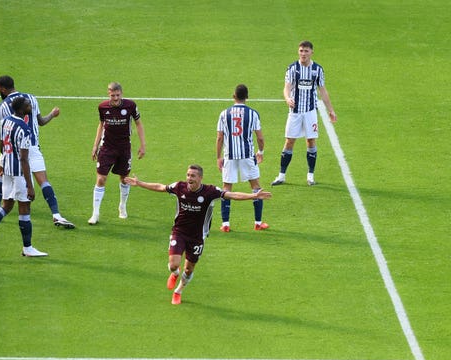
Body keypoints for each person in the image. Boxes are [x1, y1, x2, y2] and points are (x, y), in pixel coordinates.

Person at [124, 165, 272, 305]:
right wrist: (139, 183)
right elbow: (160, 187)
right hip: (179, 232)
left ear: (200, 178)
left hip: (197, 237)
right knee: (173, 264)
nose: (189, 178)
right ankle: (175, 273)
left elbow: (232, 195)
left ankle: (178, 291)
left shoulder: (210, 192)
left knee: (189, 269)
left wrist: (252, 196)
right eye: (188, 175)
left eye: (193, 176)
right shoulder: (179, 187)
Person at [0, 75, 74, 229]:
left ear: (2, 89)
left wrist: (4, 154)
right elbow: (41, 122)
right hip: (31, 146)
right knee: (43, 181)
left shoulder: (3, 106)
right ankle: (56, 215)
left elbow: (4, 131)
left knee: (1, 175)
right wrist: (52, 114)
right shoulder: (31, 98)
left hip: (11, 149)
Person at [0, 97, 48, 258]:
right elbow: (23, 158)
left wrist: (6, 161)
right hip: (19, 173)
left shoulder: (5, 122)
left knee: (6, 206)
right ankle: (27, 247)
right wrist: (30, 185)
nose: (30, 106)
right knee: (24, 208)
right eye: (28, 105)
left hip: (6, 169)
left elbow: (1, 145)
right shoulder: (25, 129)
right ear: (21, 109)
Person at [271, 40, 337, 186]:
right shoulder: (292, 68)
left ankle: (310, 175)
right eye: (301, 51)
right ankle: (281, 175)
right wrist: (287, 98)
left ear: (311, 52)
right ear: (298, 52)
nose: (303, 54)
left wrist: (330, 110)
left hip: (310, 112)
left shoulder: (318, 69)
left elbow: (323, 91)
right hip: (294, 112)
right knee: (289, 141)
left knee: (311, 141)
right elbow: (286, 87)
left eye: (306, 51)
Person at [89, 82, 146, 225]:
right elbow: (101, 124)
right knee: (101, 179)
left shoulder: (130, 106)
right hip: (107, 147)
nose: (115, 98)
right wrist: (95, 145)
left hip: (124, 147)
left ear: (122, 93)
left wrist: (142, 145)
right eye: (112, 95)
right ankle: (95, 213)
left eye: (118, 95)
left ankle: (122, 206)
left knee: (124, 178)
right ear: (108, 94)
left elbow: (139, 124)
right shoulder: (102, 107)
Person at [216, 84, 269, 232]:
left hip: (229, 156)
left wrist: (218, 157)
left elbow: (220, 138)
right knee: (255, 186)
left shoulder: (223, 114)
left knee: (227, 188)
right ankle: (258, 223)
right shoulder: (253, 114)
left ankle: (225, 225)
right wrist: (261, 152)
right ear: (247, 97)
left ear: (234, 96)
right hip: (247, 156)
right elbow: (260, 138)